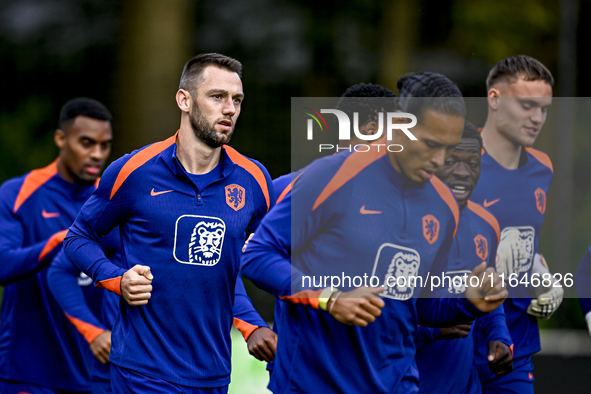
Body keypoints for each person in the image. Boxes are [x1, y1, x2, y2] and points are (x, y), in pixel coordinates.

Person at [241, 72, 507, 394]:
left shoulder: (445, 205)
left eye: (447, 149)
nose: (438, 160)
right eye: (430, 144)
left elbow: (419, 304)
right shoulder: (332, 176)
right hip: (313, 384)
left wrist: (468, 302)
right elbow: (256, 255)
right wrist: (329, 298)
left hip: (398, 384)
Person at [64, 53, 275, 393]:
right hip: (142, 372)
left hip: (215, 375)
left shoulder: (254, 180)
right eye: (217, 96)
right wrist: (116, 279)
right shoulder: (133, 171)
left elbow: (235, 264)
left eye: (237, 99)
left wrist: (251, 324)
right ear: (184, 100)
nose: (230, 109)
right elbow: (78, 238)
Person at [0, 97, 113, 393]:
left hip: (95, 368)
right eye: (86, 143)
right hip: (30, 369)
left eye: (104, 145)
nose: (97, 154)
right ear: (61, 139)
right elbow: (3, 265)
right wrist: (63, 240)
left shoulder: (112, 200)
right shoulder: (18, 193)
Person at [470, 55, 562, 393]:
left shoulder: (542, 167)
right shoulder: (455, 165)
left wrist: (545, 277)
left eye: (544, 108)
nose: (537, 118)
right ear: (494, 100)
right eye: (526, 106)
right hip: (456, 343)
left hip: (516, 348)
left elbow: (524, 242)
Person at [414, 121, 513, 394]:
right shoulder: (405, 224)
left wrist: (499, 337)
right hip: (410, 384)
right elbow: (385, 320)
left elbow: (488, 295)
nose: (462, 173)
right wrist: (433, 332)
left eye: (472, 163)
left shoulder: (487, 224)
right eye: (452, 161)